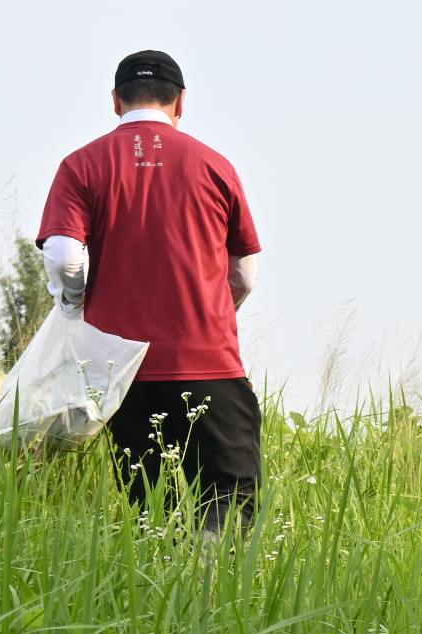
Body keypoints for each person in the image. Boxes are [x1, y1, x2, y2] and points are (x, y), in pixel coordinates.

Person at [39, 50, 263, 533]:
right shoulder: (216, 166)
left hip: (124, 373)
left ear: (116, 101)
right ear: (180, 102)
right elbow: (244, 273)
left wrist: (74, 304)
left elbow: (63, 256)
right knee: (228, 503)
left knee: (151, 511)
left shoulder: (81, 165)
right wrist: (212, 312)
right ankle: (213, 578)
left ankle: (161, 579)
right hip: (210, 365)